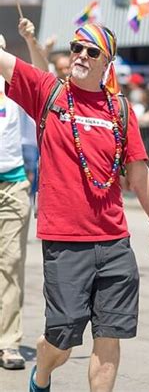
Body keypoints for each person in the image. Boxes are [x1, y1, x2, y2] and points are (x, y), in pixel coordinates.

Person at [0, 20, 149, 392]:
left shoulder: (121, 111)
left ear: (106, 62)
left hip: (114, 242)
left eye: (92, 52)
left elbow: (139, 176)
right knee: (61, 340)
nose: (80, 56)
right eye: (77, 48)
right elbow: (4, 61)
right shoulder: (48, 92)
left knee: (109, 336)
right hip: (64, 241)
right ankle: (42, 374)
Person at [0, 34, 32, 371]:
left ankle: (9, 342)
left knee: (10, 263)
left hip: (12, 184)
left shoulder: (15, 86)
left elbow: (47, 79)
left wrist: (33, 42)